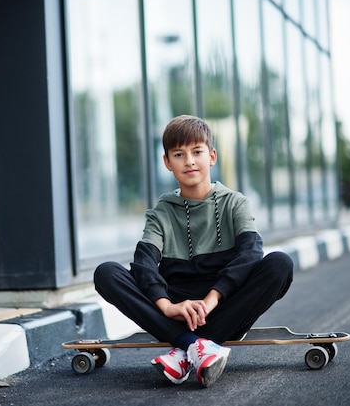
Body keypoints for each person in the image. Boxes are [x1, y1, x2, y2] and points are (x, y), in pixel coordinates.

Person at [94, 115, 293, 388]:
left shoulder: (235, 203)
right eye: (179, 154)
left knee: (279, 264)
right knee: (107, 273)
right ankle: (198, 347)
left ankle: (185, 351)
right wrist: (167, 306)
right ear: (167, 162)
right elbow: (144, 263)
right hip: (176, 305)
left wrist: (212, 299)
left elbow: (250, 252)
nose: (189, 161)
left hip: (224, 305)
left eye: (197, 152)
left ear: (211, 156)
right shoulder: (162, 211)